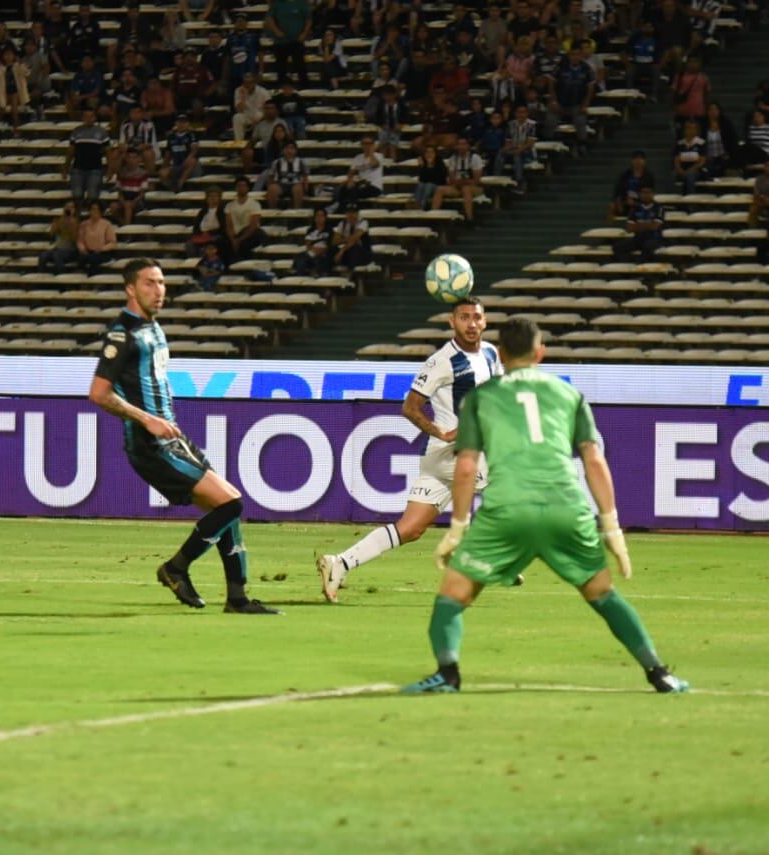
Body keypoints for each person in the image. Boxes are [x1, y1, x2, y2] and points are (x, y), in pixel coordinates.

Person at [400, 318, 689, 695]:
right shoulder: (568, 394)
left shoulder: (480, 398)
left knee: (451, 599)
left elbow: (467, 465)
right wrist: (612, 528)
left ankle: (448, 675)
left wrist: (457, 527)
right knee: (603, 595)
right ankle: (658, 673)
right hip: (566, 510)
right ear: (540, 352)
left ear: (500, 355)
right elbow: (594, 461)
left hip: (508, 512)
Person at [88, 258, 280, 615]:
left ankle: (237, 598)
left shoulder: (154, 328)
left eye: (161, 282)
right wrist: (147, 420)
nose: (159, 290)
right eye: (149, 283)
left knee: (226, 507)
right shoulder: (122, 334)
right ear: (130, 288)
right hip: (150, 443)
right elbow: (99, 393)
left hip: (171, 436)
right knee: (230, 504)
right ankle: (177, 567)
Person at [318, 297, 501, 602]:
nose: (471, 324)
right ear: (451, 322)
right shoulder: (442, 361)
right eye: (464, 317)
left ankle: (340, 563)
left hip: (446, 458)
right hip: (457, 453)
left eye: (477, 318)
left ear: (485, 321)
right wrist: (440, 431)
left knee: (411, 528)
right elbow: (411, 407)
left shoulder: (492, 354)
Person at [434, 137, 484, 223]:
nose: (461, 146)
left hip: (474, 188)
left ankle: (469, 218)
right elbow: (451, 179)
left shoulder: (475, 158)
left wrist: (462, 182)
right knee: (440, 189)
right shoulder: (453, 159)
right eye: (459, 144)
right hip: (457, 186)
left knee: (466, 189)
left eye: (464, 144)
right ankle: (433, 216)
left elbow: (476, 180)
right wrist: (460, 182)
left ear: (468, 146)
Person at [65, 109, 109, 207]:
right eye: (86, 116)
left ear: (95, 117)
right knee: (76, 196)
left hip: (95, 169)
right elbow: (71, 151)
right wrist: (66, 167)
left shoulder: (102, 132)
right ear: (83, 118)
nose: (89, 119)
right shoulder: (76, 132)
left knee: (92, 197)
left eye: (91, 116)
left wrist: (110, 169)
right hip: (78, 168)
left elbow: (108, 152)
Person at [614, 183, 666, 262]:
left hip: (654, 239)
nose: (645, 195)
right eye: (643, 192)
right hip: (638, 238)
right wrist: (648, 224)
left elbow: (654, 226)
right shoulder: (635, 208)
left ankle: (639, 266)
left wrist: (637, 225)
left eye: (648, 192)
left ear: (653, 194)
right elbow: (629, 228)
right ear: (639, 194)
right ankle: (630, 265)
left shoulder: (659, 208)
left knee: (647, 247)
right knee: (617, 247)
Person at [224, 176, 265, 260]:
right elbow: (229, 225)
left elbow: (253, 225)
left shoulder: (255, 204)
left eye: (244, 185)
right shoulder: (229, 206)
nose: (241, 188)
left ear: (247, 188)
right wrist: (233, 239)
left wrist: (239, 240)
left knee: (247, 243)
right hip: (235, 234)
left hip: (250, 234)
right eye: (239, 185)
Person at [500, 103, 537, 192]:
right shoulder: (511, 124)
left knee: (517, 155)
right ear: (515, 113)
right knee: (500, 154)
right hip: (513, 148)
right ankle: (499, 179)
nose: (521, 114)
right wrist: (505, 149)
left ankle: (519, 181)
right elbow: (508, 142)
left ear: (527, 113)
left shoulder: (532, 125)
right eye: (519, 112)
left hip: (527, 151)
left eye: (523, 112)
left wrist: (519, 149)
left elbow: (530, 143)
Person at [161, 114, 201, 191]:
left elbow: (195, 150)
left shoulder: (192, 135)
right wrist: (164, 167)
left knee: (192, 161)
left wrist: (188, 159)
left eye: (184, 122)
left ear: (188, 124)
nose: (182, 124)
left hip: (191, 167)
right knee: (162, 173)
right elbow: (167, 155)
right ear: (176, 123)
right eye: (179, 122)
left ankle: (180, 184)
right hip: (177, 166)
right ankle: (171, 188)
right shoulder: (171, 137)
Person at [78, 202, 118, 275]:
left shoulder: (107, 224)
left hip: (102, 252)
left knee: (94, 258)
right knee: (82, 258)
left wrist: (101, 249)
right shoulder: (84, 224)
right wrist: (83, 249)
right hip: (88, 251)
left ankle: (92, 280)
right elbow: (80, 241)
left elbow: (112, 243)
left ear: (101, 211)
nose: (94, 211)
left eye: (96, 209)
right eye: (92, 209)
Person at [266, 141, 309, 209]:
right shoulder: (277, 162)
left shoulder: (301, 162)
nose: (289, 151)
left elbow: (305, 177)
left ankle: (297, 212)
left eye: (292, 148)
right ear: (282, 150)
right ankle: (272, 211)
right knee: (272, 189)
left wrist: (306, 189)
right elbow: (271, 176)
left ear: (295, 150)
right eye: (286, 148)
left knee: (298, 188)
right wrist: (269, 188)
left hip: (296, 184)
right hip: (281, 185)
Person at [40, 203, 81, 273]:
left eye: (71, 207)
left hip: (71, 251)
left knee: (57, 256)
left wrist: (70, 225)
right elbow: (51, 234)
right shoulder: (58, 220)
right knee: (43, 255)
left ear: (75, 210)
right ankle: (42, 277)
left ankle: (62, 278)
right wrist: (58, 224)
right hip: (58, 249)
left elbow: (75, 240)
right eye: (67, 207)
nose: (68, 209)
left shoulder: (76, 222)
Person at [292, 207, 333, 276]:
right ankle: (300, 277)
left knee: (318, 261)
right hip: (311, 253)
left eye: (321, 216)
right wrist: (313, 252)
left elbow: (329, 246)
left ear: (325, 218)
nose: (319, 218)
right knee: (300, 258)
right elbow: (308, 245)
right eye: (317, 216)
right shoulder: (310, 230)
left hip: (324, 255)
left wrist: (319, 251)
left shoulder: (329, 231)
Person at [331, 204, 372, 271]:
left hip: (362, 253)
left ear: (357, 213)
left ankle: (351, 273)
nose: (351, 215)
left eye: (353, 212)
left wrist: (342, 250)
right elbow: (334, 241)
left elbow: (354, 239)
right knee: (332, 249)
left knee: (354, 248)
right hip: (347, 252)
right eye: (348, 212)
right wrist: (347, 239)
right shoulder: (342, 224)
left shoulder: (363, 222)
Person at [673, 119, 707, 194]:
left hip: (696, 171)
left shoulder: (701, 143)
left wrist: (689, 170)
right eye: (688, 128)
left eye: (693, 128)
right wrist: (680, 170)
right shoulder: (679, 144)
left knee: (690, 175)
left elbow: (702, 161)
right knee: (672, 175)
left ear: (696, 130)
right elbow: (676, 160)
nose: (690, 130)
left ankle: (690, 198)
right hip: (681, 170)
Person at [413, 144, 449, 211]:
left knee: (429, 185)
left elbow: (439, 179)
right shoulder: (423, 164)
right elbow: (422, 179)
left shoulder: (440, 164)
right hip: (425, 186)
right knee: (421, 185)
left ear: (435, 154)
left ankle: (421, 207)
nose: (429, 154)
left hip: (438, 186)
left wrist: (430, 165)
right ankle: (416, 204)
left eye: (431, 152)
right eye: (427, 152)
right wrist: (423, 167)